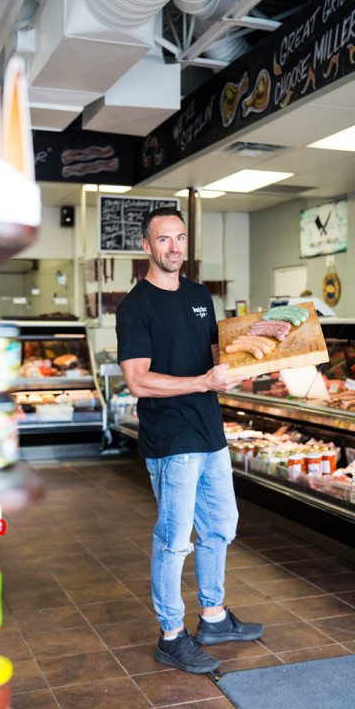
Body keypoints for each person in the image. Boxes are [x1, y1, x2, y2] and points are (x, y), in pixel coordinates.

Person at [116, 206, 263, 674]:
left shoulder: (200, 296)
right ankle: (171, 635)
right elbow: (138, 381)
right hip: (171, 438)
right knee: (174, 540)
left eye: (180, 238)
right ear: (146, 245)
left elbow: (216, 359)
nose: (174, 247)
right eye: (164, 239)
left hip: (209, 433)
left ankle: (214, 616)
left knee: (222, 525)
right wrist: (204, 381)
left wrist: (236, 372)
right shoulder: (135, 307)